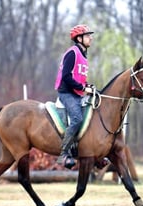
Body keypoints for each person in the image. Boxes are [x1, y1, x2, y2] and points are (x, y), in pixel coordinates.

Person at [54, 24, 95, 169]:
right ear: (79, 38)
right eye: (88, 35)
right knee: (77, 118)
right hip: (66, 93)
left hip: (77, 93)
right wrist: (83, 88)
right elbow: (66, 76)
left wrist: (88, 86)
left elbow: (80, 78)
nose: (91, 38)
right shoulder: (72, 53)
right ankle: (64, 153)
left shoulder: (84, 55)